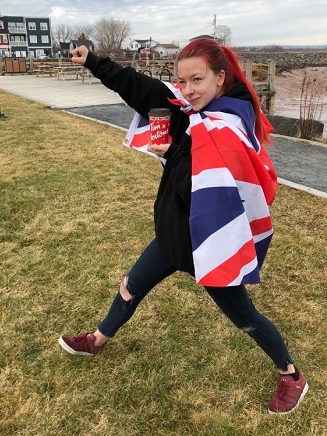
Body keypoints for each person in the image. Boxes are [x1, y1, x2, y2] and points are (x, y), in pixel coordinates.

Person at [58, 39, 308, 415]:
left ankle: (291, 375)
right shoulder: (194, 110)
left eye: (197, 80)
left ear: (221, 78)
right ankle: (96, 340)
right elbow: (146, 90)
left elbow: (205, 196)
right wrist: (94, 62)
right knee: (131, 287)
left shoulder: (227, 126)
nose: (187, 90)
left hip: (209, 243)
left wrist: (172, 153)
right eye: (182, 80)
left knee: (245, 319)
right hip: (174, 234)